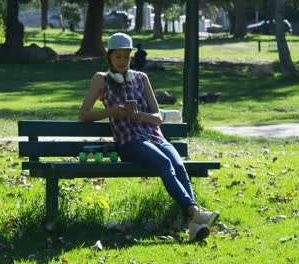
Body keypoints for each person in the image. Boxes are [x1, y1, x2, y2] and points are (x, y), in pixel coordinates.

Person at [78, 32, 220, 242]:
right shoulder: (101, 79)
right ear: (109, 57)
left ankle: (192, 224)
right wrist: (113, 111)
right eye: (118, 56)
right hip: (129, 142)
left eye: (126, 57)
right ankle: (195, 211)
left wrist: (139, 115)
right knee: (164, 163)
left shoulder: (141, 78)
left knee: (178, 165)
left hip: (155, 136)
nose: (123, 61)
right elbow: (83, 114)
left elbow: (158, 117)